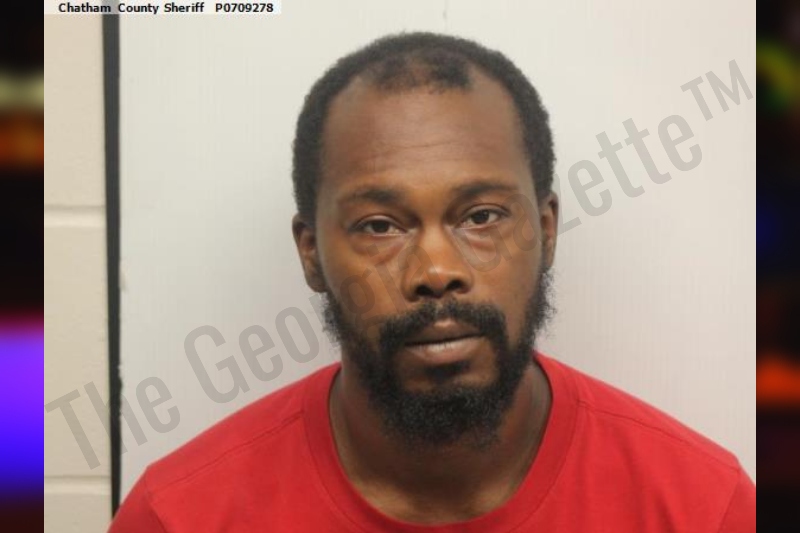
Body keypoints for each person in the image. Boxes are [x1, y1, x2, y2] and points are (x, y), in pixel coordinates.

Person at [109, 32, 755, 532]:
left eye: (482, 216)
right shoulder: (180, 516)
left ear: (546, 230)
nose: (437, 272)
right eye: (380, 225)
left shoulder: (705, 507)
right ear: (311, 253)